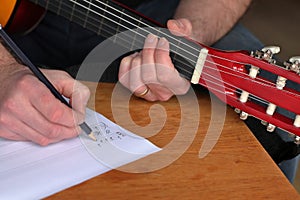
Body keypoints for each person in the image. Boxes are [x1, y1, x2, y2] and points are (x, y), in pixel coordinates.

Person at [0, 0, 298, 182]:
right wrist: (4, 71)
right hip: (11, 31)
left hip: (156, 16)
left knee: (270, 130)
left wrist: (189, 36)